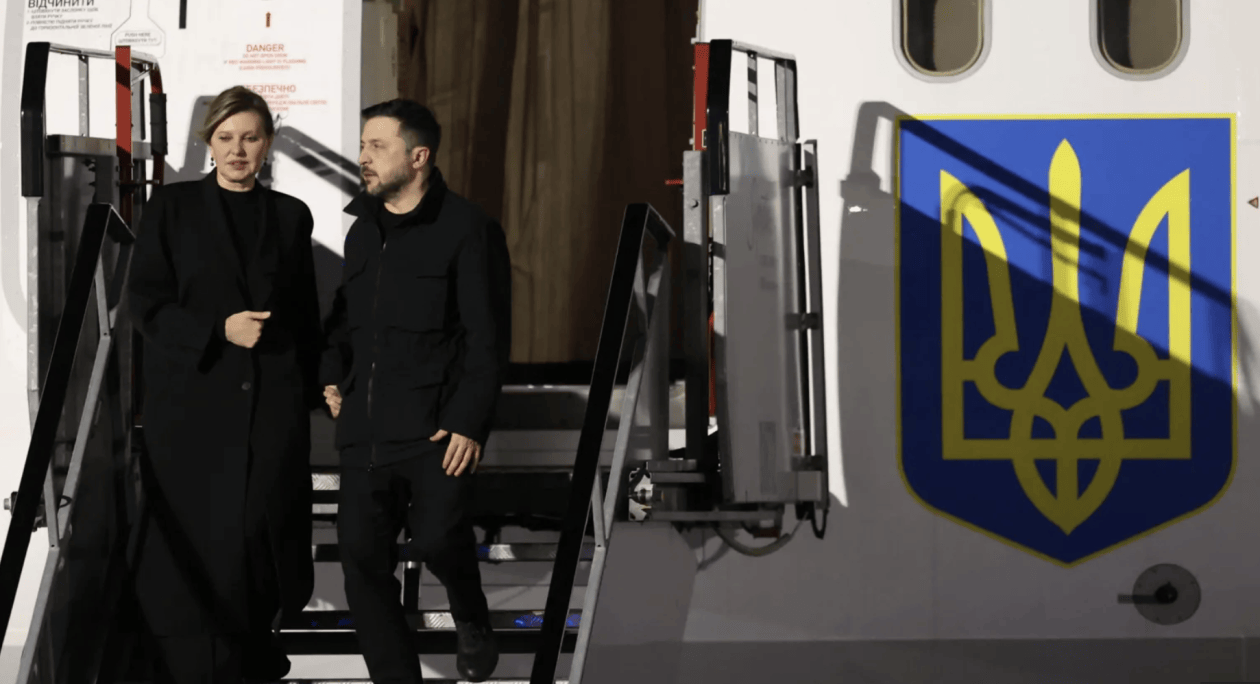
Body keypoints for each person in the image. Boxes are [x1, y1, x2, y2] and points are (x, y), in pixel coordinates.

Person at [127, 85, 320, 683]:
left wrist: (322, 385)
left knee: (261, 542)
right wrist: (219, 330)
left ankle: (256, 657)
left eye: (250, 137)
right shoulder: (171, 207)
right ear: (208, 143)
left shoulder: (291, 215)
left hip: (270, 408)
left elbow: (304, 316)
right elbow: (145, 304)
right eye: (226, 137)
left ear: (268, 143)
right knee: (199, 546)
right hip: (192, 407)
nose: (238, 150)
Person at [321, 99, 510, 683]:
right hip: (365, 432)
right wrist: (331, 375)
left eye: (377, 147)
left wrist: (469, 421)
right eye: (363, 146)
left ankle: (471, 616)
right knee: (360, 563)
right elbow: (343, 322)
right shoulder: (362, 233)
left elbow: (487, 337)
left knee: (436, 538)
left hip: (435, 428)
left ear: (419, 156)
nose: (363, 157)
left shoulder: (468, 228)